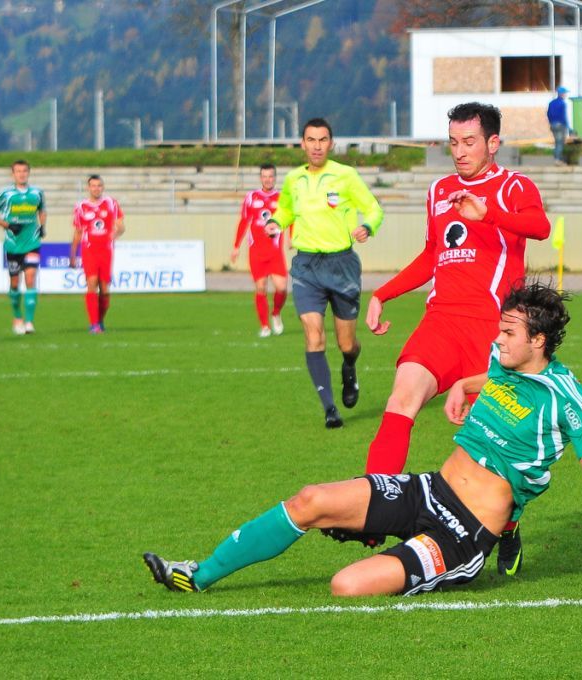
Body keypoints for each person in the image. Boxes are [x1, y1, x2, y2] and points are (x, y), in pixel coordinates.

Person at [143, 283, 582, 597]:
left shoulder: (567, 399)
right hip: (430, 489)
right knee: (310, 500)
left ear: (538, 341)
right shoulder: (503, 361)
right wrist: (462, 384)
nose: (496, 339)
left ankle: (501, 530)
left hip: (463, 534)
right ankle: (197, 575)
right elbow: (494, 379)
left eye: (507, 333)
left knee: (346, 585)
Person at [363, 102, 551, 571]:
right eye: (453, 142)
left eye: (469, 142)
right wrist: (384, 293)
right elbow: (432, 254)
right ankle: (373, 509)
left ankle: (508, 526)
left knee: (494, 447)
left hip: (493, 330)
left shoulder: (513, 187)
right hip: (441, 322)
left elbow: (540, 227)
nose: (460, 151)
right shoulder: (439, 191)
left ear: (493, 143)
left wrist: (489, 214)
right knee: (402, 398)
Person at [264, 118, 384, 429]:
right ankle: (330, 408)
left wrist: (368, 226)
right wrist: (276, 222)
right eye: (311, 140)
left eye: (322, 140)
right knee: (313, 335)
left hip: (341, 265)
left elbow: (374, 208)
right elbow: (285, 209)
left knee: (347, 343)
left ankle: (349, 366)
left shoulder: (346, 176)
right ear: (302, 144)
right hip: (306, 266)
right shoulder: (294, 179)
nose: (316, 146)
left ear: (330, 143)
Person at [0, 159, 47, 335]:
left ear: (29, 173)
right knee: (14, 283)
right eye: (18, 171)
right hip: (13, 245)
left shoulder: (37, 193)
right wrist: (7, 225)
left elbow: (42, 210)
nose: (22, 174)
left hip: (32, 242)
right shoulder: (6, 194)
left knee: (30, 278)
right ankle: (17, 316)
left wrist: (42, 226)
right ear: (13, 174)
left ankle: (29, 322)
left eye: (24, 171)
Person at [230, 164, 289, 338]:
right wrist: (236, 246)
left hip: (275, 252)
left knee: (282, 288)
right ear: (260, 178)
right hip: (256, 252)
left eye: (270, 176)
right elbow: (244, 221)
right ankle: (265, 326)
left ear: (275, 177)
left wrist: (292, 237)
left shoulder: (282, 198)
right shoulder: (251, 197)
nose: (267, 179)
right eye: (264, 176)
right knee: (261, 288)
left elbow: (291, 218)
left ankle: (276, 313)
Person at [70, 175, 125, 334]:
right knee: (92, 283)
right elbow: (78, 231)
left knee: (105, 289)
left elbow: (121, 226)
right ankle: (94, 324)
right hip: (89, 249)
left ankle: (99, 320)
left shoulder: (111, 203)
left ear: (103, 187)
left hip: (106, 250)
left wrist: (115, 233)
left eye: (99, 185)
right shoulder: (81, 206)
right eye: (93, 185)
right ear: (88, 188)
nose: (96, 188)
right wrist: (72, 254)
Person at [547, 87, 570, 165]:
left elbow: (548, 114)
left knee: (557, 142)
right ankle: (558, 160)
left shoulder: (551, 103)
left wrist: (551, 122)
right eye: (565, 93)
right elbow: (564, 116)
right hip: (560, 125)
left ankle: (557, 159)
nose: (566, 95)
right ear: (561, 94)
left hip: (553, 125)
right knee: (560, 143)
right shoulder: (562, 103)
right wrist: (568, 127)